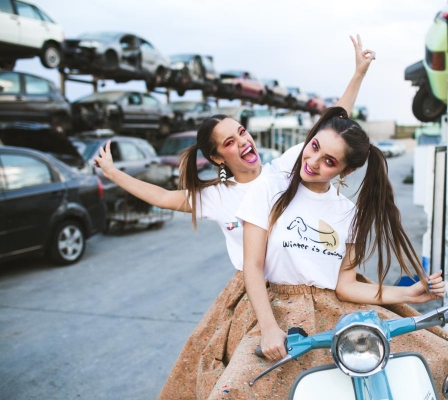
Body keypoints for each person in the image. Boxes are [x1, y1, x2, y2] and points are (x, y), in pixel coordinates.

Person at [93, 35, 382, 399]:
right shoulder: (217, 196)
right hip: (255, 291)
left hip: (309, 285)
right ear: (217, 158)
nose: (243, 141)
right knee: (232, 377)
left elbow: (333, 127)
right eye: (229, 142)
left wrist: (358, 73)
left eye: (241, 132)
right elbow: (164, 197)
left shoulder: (285, 168)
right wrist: (113, 173)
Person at [204, 107, 448, 399]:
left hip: (332, 315)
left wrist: (409, 294)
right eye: (314, 147)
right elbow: (252, 265)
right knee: (231, 391)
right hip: (273, 310)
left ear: (346, 171)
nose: (313, 162)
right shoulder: (269, 187)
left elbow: (346, 286)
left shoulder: (349, 214)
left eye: (329, 161)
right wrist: (269, 328)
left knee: (405, 375)